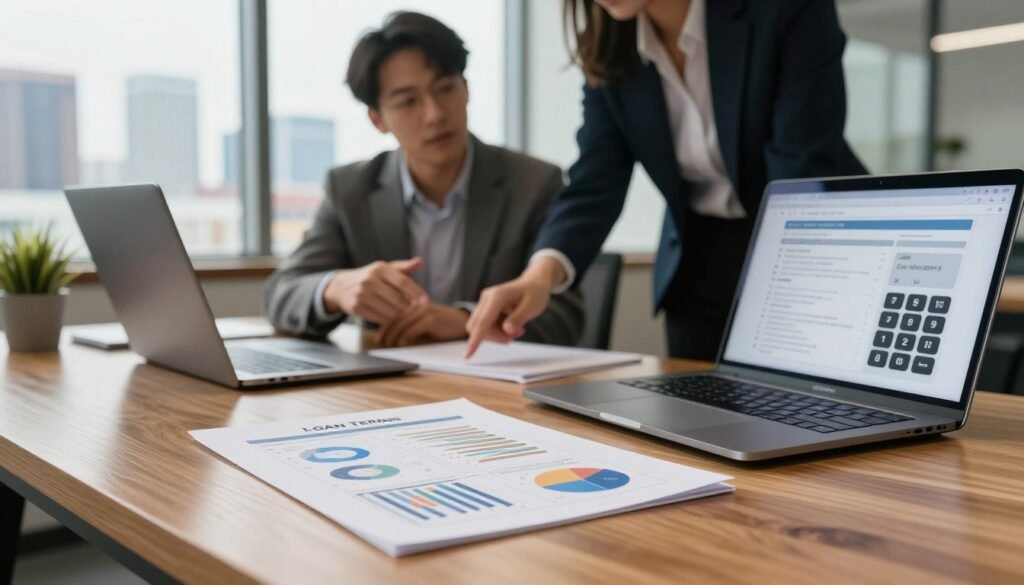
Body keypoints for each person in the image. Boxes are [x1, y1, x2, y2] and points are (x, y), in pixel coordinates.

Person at [466, 0, 866, 359]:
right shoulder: (611, 46)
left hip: (810, 246)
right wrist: (538, 278)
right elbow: (595, 182)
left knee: (814, 417)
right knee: (700, 424)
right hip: (698, 260)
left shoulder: (786, 10)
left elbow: (800, 168)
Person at [265, 11, 583, 348]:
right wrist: (335, 288)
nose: (435, 114)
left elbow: (565, 316)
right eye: (408, 102)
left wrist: (465, 320)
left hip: (496, 388)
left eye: (445, 88)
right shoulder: (350, 190)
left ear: (467, 89)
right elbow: (281, 293)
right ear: (377, 119)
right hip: (392, 388)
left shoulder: (533, 183)